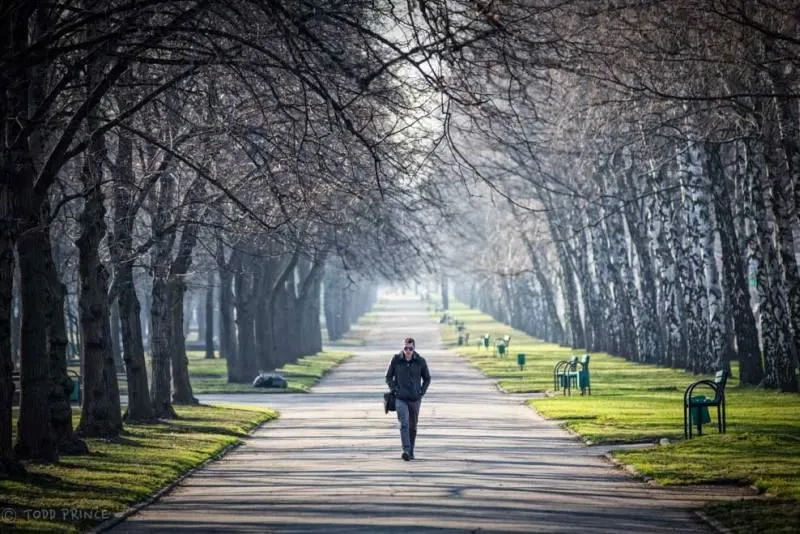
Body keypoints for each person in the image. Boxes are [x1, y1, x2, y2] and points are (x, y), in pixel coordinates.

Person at [385, 337, 431, 461]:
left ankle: (411, 451)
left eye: (410, 348)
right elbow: (388, 376)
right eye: (406, 348)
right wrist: (394, 389)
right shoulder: (396, 360)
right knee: (404, 423)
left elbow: (427, 378)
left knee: (413, 426)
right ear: (403, 348)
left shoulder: (420, 361)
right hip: (400, 398)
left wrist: (422, 391)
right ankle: (405, 449)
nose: (408, 351)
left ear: (414, 348)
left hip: (415, 398)